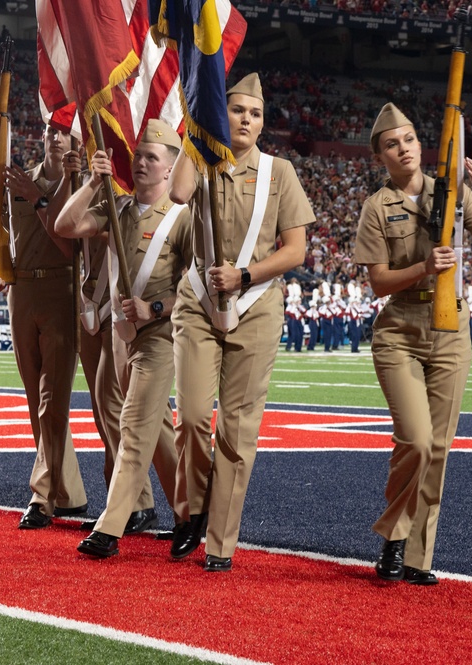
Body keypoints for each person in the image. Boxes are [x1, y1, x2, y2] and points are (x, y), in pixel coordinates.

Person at [167, 73, 315, 572]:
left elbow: (295, 250)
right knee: (188, 415)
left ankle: (220, 542)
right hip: (199, 303)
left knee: (236, 430)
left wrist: (246, 274)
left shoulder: (281, 172)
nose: (246, 119)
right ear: (220, 115)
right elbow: (178, 195)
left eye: (255, 113)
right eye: (236, 111)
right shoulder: (202, 162)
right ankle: (193, 508)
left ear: (263, 122)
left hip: (256, 306)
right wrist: (194, 134)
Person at [354, 103, 472, 585]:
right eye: (392, 144)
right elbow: (378, 283)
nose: (404, 148)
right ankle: (395, 536)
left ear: (422, 145)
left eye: (410, 139)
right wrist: (423, 268)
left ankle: (416, 556)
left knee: (438, 448)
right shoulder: (377, 207)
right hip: (400, 329)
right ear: (380, 155)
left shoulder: (455, 192)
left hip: (451, 328)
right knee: (416, 441)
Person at [56, 118, 192, 558]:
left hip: (162, 336)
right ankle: (192, 512)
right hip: (123, 337)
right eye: (138, 156)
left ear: (170, 168)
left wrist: (156, 307)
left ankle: (110, 527)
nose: (141, 163)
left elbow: (197, 284)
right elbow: (66, 225)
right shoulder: (120, 209)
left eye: (152, 158)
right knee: (157, 434)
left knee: (133, 426)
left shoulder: (182, 219)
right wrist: (95, 182)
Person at [0, 125, 87, 529]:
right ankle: (69, 493)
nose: (56, 137)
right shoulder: (18, 181)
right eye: (51, 129)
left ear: (77, 142)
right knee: (34, 399)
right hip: (21, 292)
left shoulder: (76, 185)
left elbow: (69, 246)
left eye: (65, 132)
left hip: (61, 289)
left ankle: (42, 495)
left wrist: (39, 198)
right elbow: (7, 238)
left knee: (52, 397)